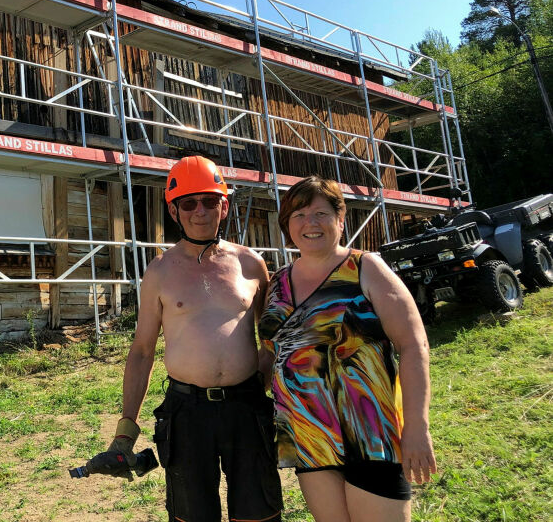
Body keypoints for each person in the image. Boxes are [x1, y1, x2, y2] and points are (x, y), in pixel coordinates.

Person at [108, 155, 283, 522]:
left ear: (225, 205)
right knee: (192, 516)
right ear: (174, 211)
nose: (199, 211)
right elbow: (142, 351)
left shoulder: (251, 263)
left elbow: (271, 336)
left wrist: (264, 386)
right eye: (188, 203)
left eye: (209, 200)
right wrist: (126, 429)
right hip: (187, 412)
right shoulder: (159, 272)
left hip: (246, 407)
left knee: (259, 514)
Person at [258, 175, 437, 522]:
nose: (310, 223)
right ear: (286, 225)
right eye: (299, 215)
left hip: (371, 434)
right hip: (310, 438)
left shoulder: (366, 268)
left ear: (341, 220)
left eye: (321, 213)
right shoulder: (276, 282)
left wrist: (417, 425)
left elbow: (413, 344)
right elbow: (270, 354)